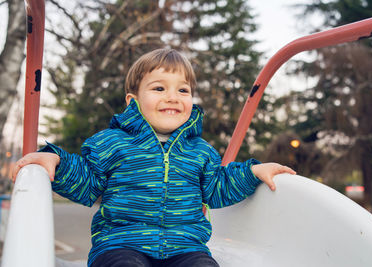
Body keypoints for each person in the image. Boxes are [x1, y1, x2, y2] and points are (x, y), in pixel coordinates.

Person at [12, 48, 296, 267]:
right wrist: (57, 163)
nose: (173, 96)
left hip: (185, 248)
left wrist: (253, 172)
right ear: (132, 101)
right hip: (121, 244)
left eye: (182, 90)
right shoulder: (112, 143)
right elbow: (88, 182)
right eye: (159, 88)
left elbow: (218, 186)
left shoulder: (200, 150)